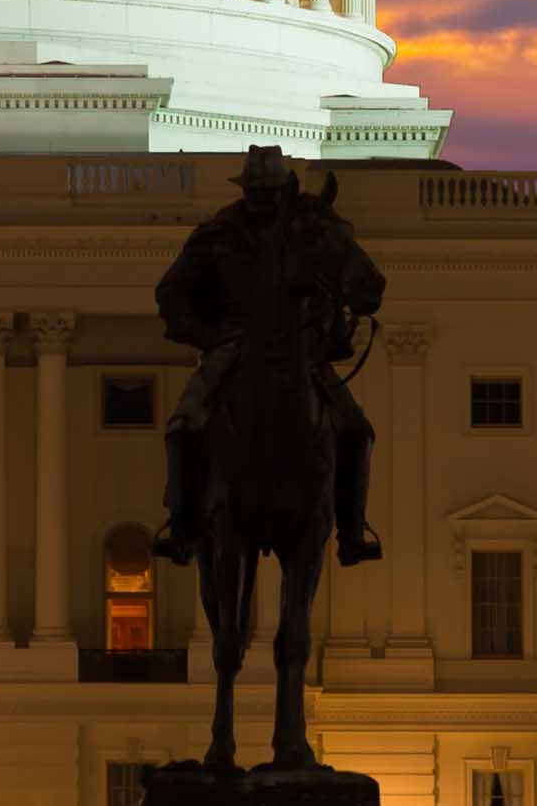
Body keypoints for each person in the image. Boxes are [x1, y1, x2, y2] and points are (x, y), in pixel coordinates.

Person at [154, 143, 386, 564]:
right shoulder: (218, 234)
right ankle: (181, 523)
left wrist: (332, 323)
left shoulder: (303, 233)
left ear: (284, 191)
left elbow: (334, 280)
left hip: (302, 352)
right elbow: (171, 293)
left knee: (355, 429)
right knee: (183, 425)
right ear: (245, 192)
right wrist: (206, 335)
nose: (266, 201)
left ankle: (353, 528)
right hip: (230, 347)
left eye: (273, 192)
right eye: (258, 192)